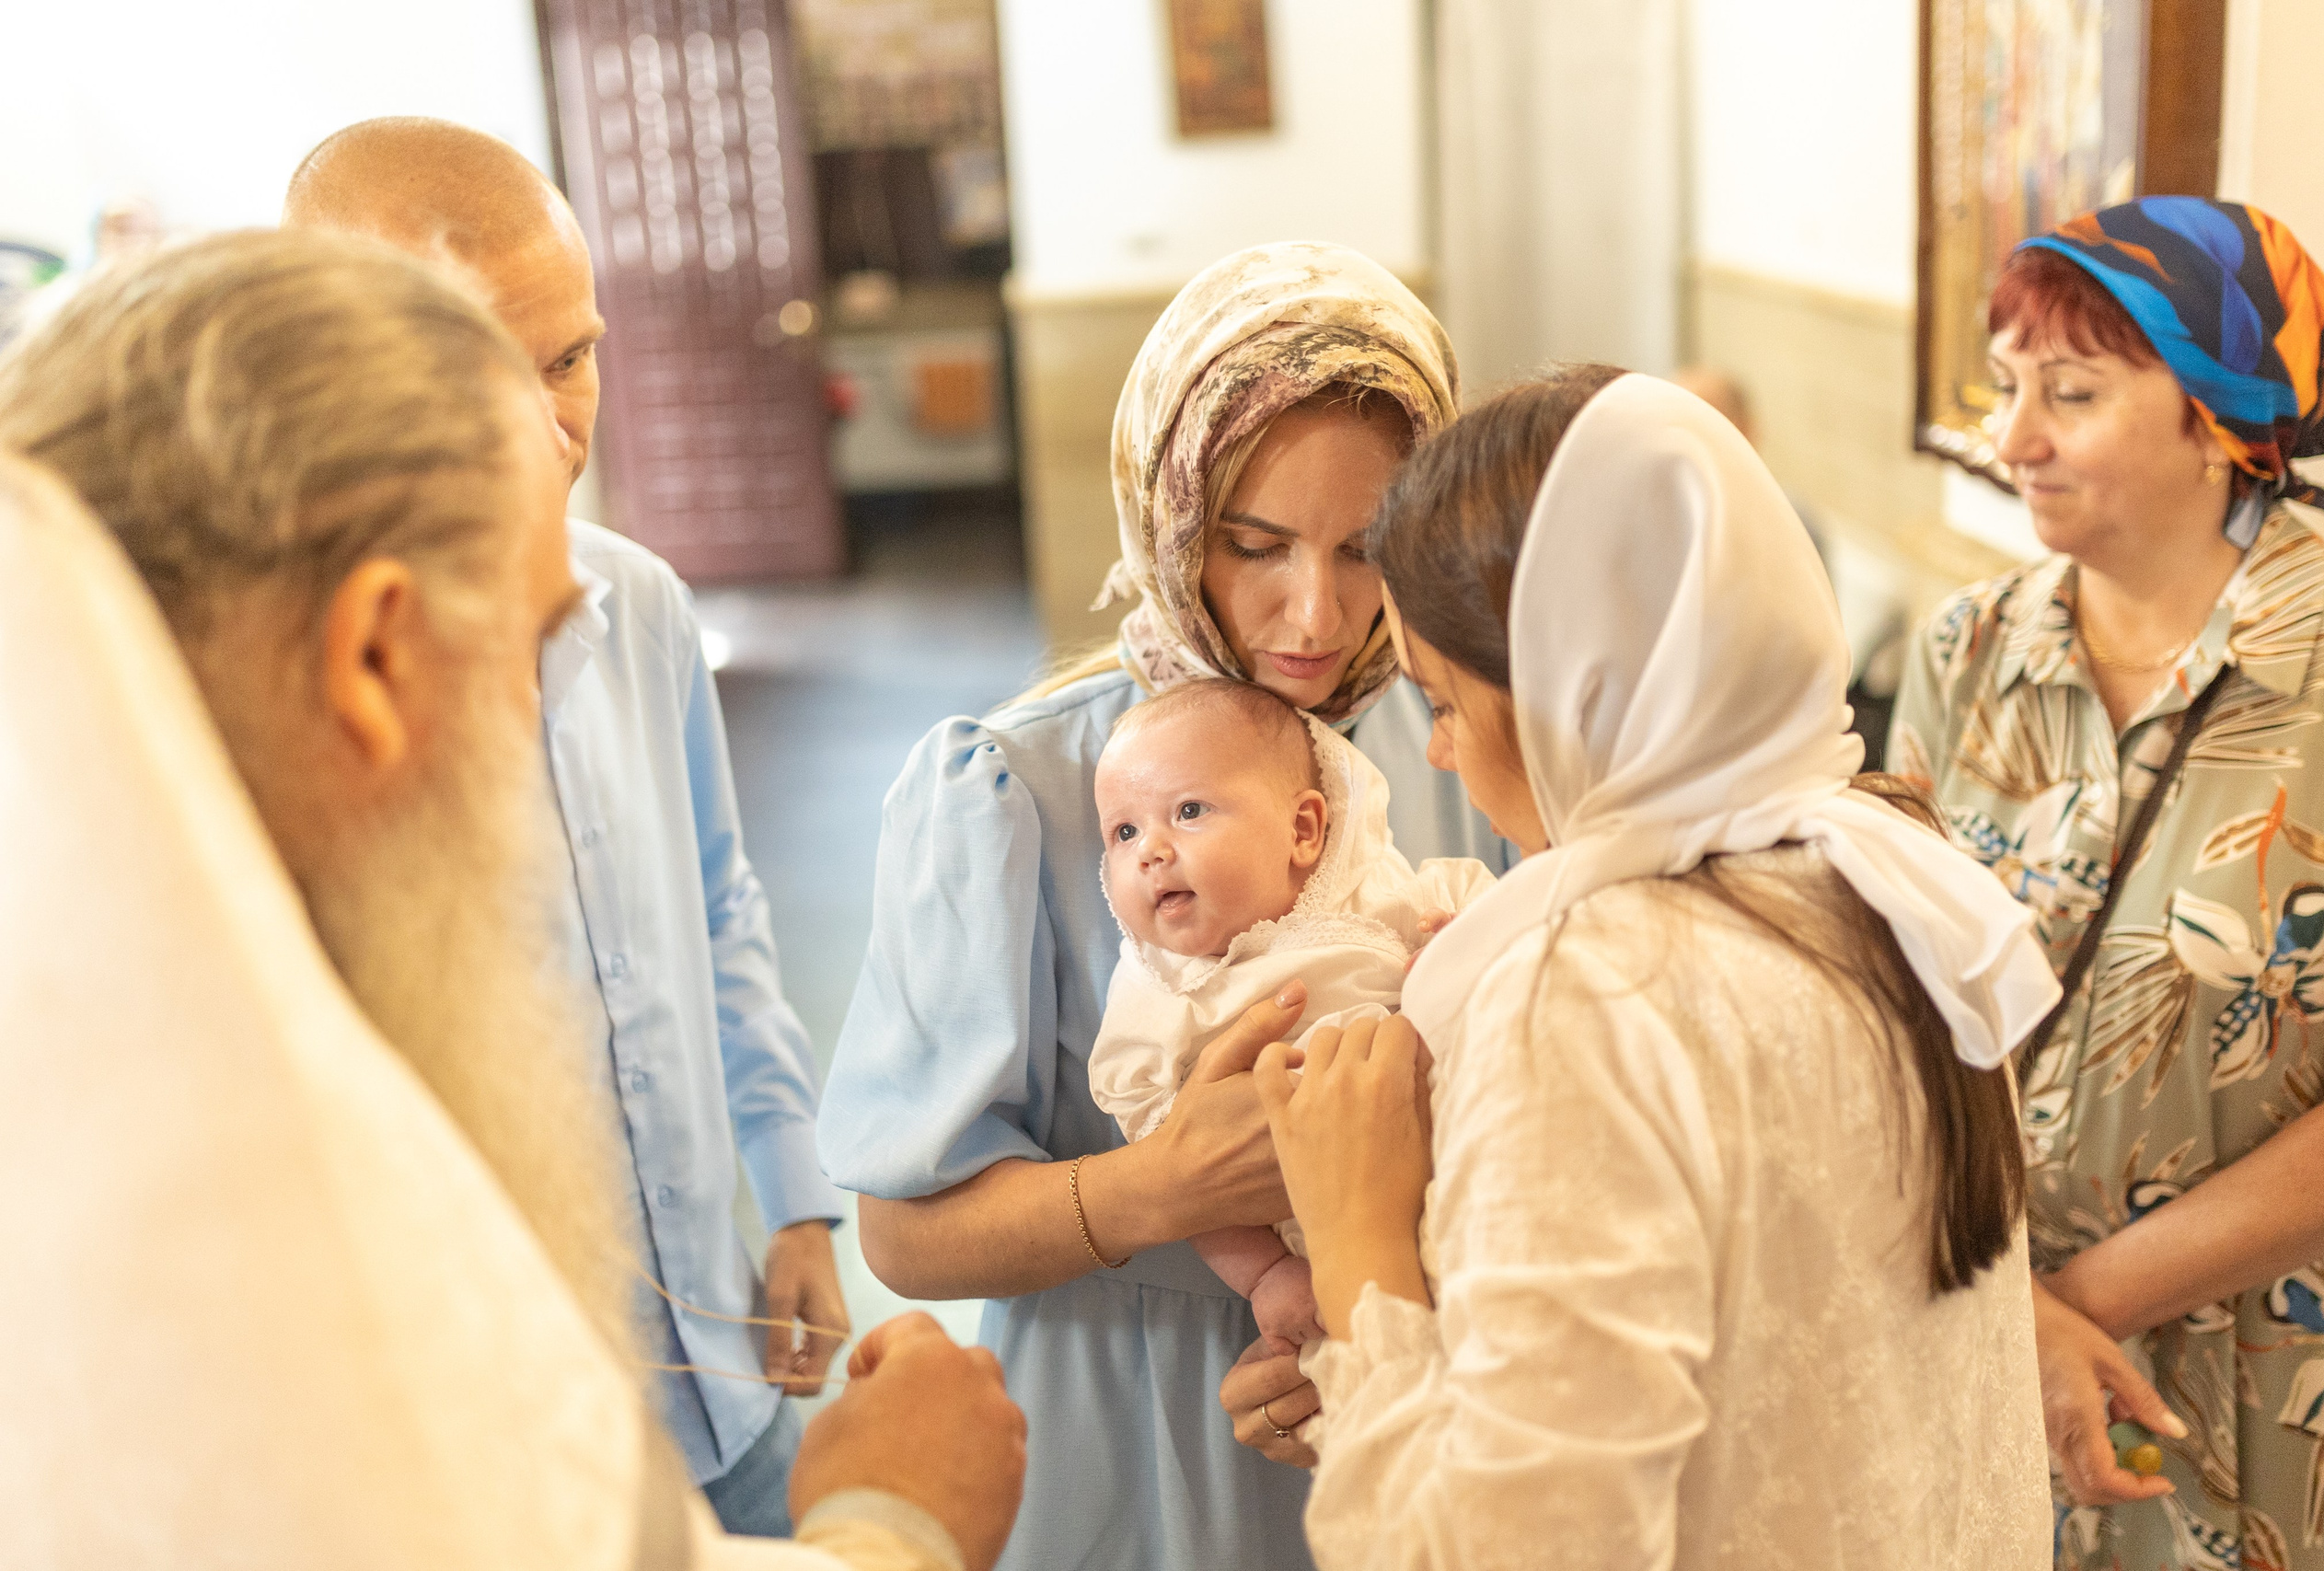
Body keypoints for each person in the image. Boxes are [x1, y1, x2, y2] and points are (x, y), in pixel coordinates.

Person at [0, 230, 1023, 1567]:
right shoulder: (279, 1227)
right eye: (536, 646)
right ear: (376, 656)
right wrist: (898, 1513)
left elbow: (720, 909)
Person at [1233, 368, 2059, 1567]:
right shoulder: (1882, 865)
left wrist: (1358, 1241)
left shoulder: (1595, 989)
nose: (1448, 755)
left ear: (1578, 686)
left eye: (1445, 701)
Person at [815, 240, 1499, 1569]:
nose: (1316, 611)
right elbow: (902, 1227)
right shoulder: (1015, 789)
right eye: (1257, 546)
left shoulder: (1453, 740)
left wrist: (1384, 1318)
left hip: (1417, 1382)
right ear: (1174, 514)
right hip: (1126, 1426)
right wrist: (1161, 1185)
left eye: (1368, 549)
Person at [282, 117, 846, 1537]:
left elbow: (720, 904)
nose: (554, 430)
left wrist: (791, 1196)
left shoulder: (642, 605)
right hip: (501, 1443)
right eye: (488, 368)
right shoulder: (287, 713)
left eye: (573, 356)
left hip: (726, 1369)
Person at [1890, 197, 2324, 1570]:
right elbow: (1887, 995)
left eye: (2073, 393)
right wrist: (1998, 1315)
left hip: (2258, 1385)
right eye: (2011, 386)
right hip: (1969, 1351)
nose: (2015, 437)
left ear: (2218, 421)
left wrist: (2062, 1308)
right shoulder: (1967, 649)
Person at [1088, 678, 1492, 1346]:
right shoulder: (1161, 1001)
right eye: (1123, 831)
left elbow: (1505, 935)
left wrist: (1463, 946)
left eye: (1189, 811)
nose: (1150, 850)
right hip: (1334, 1233)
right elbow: (1181, 1177)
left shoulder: (1381, 896)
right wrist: (1267, 1274)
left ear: (1302, 830)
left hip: (1473, 1163)